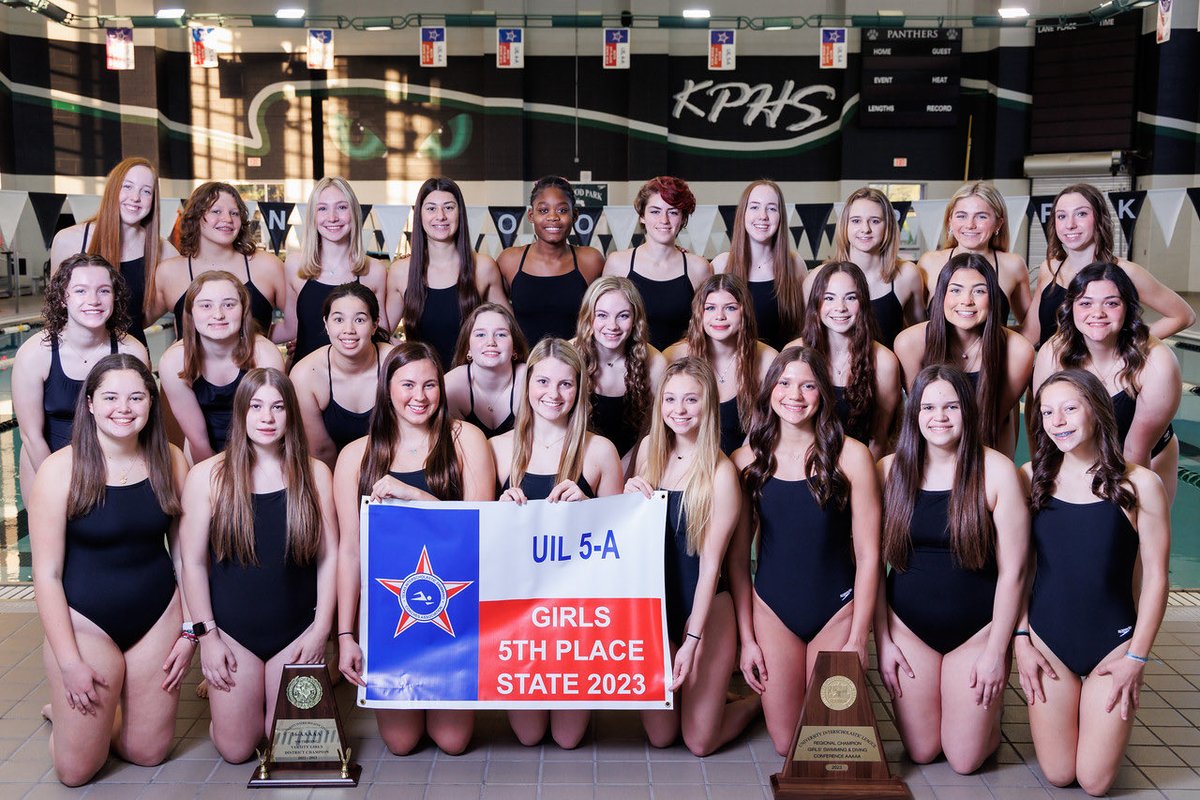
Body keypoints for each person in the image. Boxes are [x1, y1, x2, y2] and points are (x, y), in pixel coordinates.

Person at [29, 354, 190, 786]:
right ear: (90, 404)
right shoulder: (59, 471)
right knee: (76, 771)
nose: (124, 408)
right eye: (111, 397)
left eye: (136, 397)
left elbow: (184, 556)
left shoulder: (171, 460)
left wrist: (190, 630)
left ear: (151, 402)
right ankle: (67, 720)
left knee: (148, 753)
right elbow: (46, 575)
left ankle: (97, 721)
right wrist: (69, 662)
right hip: (86, 623)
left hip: (157, 617)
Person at [334, 342, 496, 755]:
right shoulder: (355, 456)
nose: (419, 396)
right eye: (407, 385)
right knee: (401, 743)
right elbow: (349, 552)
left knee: (453, 741)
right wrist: (346, 634)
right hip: (390, 614)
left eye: (429, 385)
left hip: (456, 610)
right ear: (387, 388)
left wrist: (415, 496)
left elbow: (480, 533)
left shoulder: (466, 440)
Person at [1017, 369, 1169, 796]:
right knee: (1058, 773)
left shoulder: (1140, 484)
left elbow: (1157, 577)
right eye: (1048, 412)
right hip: (1047, 643)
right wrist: (1021, 638)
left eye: (1070, 408)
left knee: (1094, 781)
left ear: (1097, 410)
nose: (1058, 421)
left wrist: (1136, 657)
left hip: (1113, 645)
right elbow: (1019, 569)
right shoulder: (1031, 478)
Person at [178, 368, 338, 763]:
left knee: (287, 747)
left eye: (278, 407)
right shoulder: (207, 477)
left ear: (291, 415)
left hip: (296, 632)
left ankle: (262, 701)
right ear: (241, 413)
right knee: (237, 749)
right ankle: (237, 709)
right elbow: (191, 563)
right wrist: (208, 638)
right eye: (256, 407)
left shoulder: (315, 474)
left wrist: (320, 631)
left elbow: (330, 556)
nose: (267, 418)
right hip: (233, 633)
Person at [874, 365, 1028, 773]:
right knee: (922, 751)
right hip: (908, 629)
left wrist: (997, 650)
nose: (939, 417)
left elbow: (1014, 571)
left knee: (964, 760)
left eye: (951, 406)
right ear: (914, 412)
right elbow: (870, 566)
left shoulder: (995, 470)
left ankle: (988, 718)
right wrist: (883, 640)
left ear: (967, 411)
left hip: (977, 632)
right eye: (928, 407)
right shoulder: (889, 471)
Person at [730, 347, 881, 756]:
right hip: (772, 610)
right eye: (784, 383)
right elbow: (739, 562)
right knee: (785, 744)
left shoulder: (852, 456)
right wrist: (748, 640)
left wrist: (858, 636)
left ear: (823, 395)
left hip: (836, 610)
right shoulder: (747, 460)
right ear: (770, 390)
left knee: (824, 741)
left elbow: (870, 555)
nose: (794, 395)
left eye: (808, 385)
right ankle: (758, 704)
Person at [490, 338, 623, 748]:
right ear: (527, 384)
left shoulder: (600, 451)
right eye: (543, 381)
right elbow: (475, 540)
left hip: (575, 614)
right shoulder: (497, 449)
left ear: (579, 389)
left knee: (568, 738)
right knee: (529, 736)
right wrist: (497, 511)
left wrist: (590, 510)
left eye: (566, 384)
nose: (554, 394)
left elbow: (621, 543)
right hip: (518, 610)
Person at [625, 358, 761, 755]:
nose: (679, 410)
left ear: (708, 405)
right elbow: (622, 533)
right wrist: (627, 496)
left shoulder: (721, 473)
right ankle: (710, 695)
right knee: (661, 736)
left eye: (691, 399)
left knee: (700, 741)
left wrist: (691, 642)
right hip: (657, 608)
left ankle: (756, 705)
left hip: (704, 609)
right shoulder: (648, 451)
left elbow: (711, 568)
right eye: (670, 399)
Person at [1032, 263, 1181, 503]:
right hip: (1082, 453)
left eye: (1111, 303)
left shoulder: (1155, 360)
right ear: (1071, 308)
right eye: (1085, 303)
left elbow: (1136, 452)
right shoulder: (1054, 353)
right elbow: (1045, 430)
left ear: (1128, 308)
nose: (1097, 313)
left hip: (1144, 456)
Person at [13, 254, 149, 509]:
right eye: (80, 291)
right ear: (63, 298)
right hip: (47, 464)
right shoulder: (35, 354)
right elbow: (31, 437)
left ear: (115, 297)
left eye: (104, 290)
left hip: (113, 467)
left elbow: (140, 422)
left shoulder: (132, 351)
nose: (93, 300)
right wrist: (59, 484)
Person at [893, 254, 1034, 455]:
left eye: (979, 291)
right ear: (942, 295)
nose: (966, 301)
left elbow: (992, 420)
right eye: (956, 290)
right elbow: (923, 413)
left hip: (987, 446)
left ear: (993, 298)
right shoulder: (909, 344)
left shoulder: (1018, 351)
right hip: (930, 447)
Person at [1022, 183, 1195, 347]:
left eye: (1081, 214)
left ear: (1099, 218)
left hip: (1096, 370)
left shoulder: (1125, 272)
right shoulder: (1049, 269)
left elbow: (1183, 316)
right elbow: (1031, 334)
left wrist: (1125, 347)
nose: (1070, 225)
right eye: (1061, 216)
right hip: (1049, 367)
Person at [49, 156, 179, 345]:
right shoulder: (69, 240)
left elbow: (152, 314)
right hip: (78, 354)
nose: (135, 197)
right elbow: (55, 310)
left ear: (153, 200)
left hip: (131, 355)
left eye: (146, 191)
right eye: (127, 186)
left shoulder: (164, 252)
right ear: (112, 189)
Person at [158, 272, 285, 463]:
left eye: (229, 305)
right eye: (206, 305)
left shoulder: (265, 355)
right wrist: (212, 474)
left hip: (260, 446)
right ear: (191, 312)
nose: (218, 315)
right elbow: (198, 440)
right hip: (202, 451)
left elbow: (270, 427)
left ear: (244, 310)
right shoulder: (174, 361)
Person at [387, 177, 507, 368]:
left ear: (460, 213)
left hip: (473, 379)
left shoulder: (483, 267)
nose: (440, 216)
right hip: (423, 379)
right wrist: (407, 353)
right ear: (419, 215)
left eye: (449, 207)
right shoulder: (401, 271)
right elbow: (380, 333)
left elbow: (508, 330)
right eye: (431, 208)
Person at [790, 262, 902, 458]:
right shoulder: (794, 352)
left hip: (859, 464)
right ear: (816, 303)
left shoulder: (884, 362)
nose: (840, 307)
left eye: (850, 298)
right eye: (829, 298)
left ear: (863, 303)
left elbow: (879, 439)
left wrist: (861, 472)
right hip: (803, 461)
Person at [275, 177, 388, 363]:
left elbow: (381, 335)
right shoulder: (295, 265)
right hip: (304, 374)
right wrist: (243, 335)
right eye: (322, 209)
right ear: (312, 216)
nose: (332, 217)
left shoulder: (374, 271)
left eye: (342, 207)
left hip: (355, 374)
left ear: (354, 213)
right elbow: (291, 328)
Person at [153, 182, 285, 340]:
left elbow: (299, 321)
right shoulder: (169, 272)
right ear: (195, 217)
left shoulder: (268, 266)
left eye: (234, 213)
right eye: (216, 211)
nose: (227, 219)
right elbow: (136, 321)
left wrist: (257, 342)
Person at [664, 274, 777, 455]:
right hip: (689, 460)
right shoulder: (674, 356)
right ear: (699, 313)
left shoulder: (767, 359)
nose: (720, 316)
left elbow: (763, 430)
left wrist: (734, 466)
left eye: (730, 308)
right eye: (710, 308)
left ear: (744, 312)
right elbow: (664, 428)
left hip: (746, 461)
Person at [290, 282, 394, 469]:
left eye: (359, 320)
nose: (349, 330)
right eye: (338, 320)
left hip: (393, 466)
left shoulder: (395, 364)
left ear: (374, 325)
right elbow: (321, 451)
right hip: (333, 470)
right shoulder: (305, 375)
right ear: (326, 324)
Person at [602, 176, 712, 350]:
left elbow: (707, 329)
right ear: (642, 216)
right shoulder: (618, 263)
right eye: (655, 211)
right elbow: (602, 323)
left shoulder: (698, 268)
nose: (664, 220)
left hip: (681, 363)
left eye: (673, 212)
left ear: (683, 218)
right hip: (630, 363)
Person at [807, 187, 925, 348]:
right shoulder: (817, 278)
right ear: (845, 225)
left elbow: (921, 336)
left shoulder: (907, 275)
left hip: (888, 364)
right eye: (856, 221)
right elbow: (805, 336)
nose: (865, 229)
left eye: (875, 221)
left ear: (888, 226)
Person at [572, 276, 668, 469]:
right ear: (588, 317)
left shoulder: (655, 363)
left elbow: (652, 430)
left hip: (635, 462)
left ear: (635, 320)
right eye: (602, 315)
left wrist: (628, 468)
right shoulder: (569, 356)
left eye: (623, 316)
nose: (612, 326)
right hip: (579, 459)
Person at [499, 176, 605, 348]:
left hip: (576, 359)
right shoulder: (510, 261)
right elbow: (497, 318)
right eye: (543, 210)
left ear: (574, 215)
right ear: (531, 215)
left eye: (562, 210)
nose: (553, 217)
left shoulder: (591, 261)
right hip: (525, 361)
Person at [917, 182, 1032, 327]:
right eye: (961, 216)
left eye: (981, 216)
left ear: (998, 223)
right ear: (950, 221)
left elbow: (1031, 328)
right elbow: (915, 326)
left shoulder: (1012, 265)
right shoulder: (929, 263)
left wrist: (1004, 339)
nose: (970, 225)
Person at [712, 180, 807, 349]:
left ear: (781, 216)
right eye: (755, 207)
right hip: (736, 363)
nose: (763, 216)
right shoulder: (721, 265)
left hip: (783, 362)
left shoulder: (794, 264)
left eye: (772, 208)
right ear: (743, 213)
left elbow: (807, 325)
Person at [444, 303, 528, 438]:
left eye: (501, 334)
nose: (491, 342)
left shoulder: (530, 380)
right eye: (480, 334)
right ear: (468, 348)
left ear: (514, 348)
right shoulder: (450, 386)